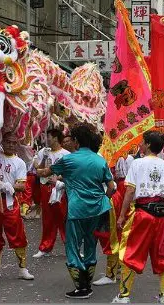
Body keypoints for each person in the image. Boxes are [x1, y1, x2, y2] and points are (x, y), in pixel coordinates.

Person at [37, 123, 115, 299]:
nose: (69, 142)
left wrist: (39, 165)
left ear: (77, 141)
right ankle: (87, 283)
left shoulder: (68, 160)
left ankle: (82, 288)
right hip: (98, 210)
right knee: (90, 245)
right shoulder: (100, 160)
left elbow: (45, 173)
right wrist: (104, 199)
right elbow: (111, 187)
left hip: (77, 210)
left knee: (72, 247)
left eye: (71, 138)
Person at [112, 131, 164, 304]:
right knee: (163, 254)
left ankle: (124, 296)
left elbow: (130, 191)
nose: (139, 144)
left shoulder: (137, 164)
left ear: (148, 144)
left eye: (142, 141)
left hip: (143, 214)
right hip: (162, 216)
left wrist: (121, 215)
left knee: (131, 252)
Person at [0, 132, 34, 281]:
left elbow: (22, 186)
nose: (11, 145)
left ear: (17, 144)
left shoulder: (19, 162)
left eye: (14, 142)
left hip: (9, 201)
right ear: (2, 142)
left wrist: (6, 186)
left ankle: (22, 268)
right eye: (8, 142)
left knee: (17, 235)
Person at [93, 154, 134, 286]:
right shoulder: (101, 155)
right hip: (108, 197)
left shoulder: (100, 156)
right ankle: (117, 267)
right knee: (108, 236)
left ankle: (111, 273)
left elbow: (110, 184)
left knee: (110, 237)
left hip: (108, 198)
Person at [33, 129, 70, 258]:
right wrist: (44, 158)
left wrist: (58, 178)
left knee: (63, 217)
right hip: (45, 187)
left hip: (60, 188)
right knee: (47, 218)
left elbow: (69, 173)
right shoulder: (43, 151)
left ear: (55, 138)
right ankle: (45, 247)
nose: (46, 139)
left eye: (48, 137)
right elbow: (38, 169)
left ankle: (70, 247)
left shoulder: (66, 154)